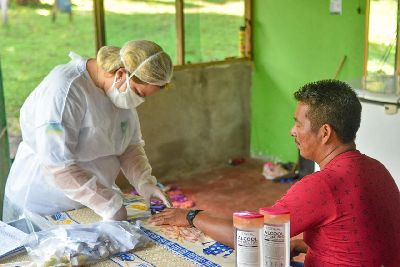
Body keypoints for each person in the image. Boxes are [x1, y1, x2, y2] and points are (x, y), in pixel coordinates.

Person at [150, 80, 400, 266]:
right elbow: (362, 234)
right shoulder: (378, 169)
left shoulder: (322, 185)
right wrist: (311, 244)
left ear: (325, 133)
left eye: (298, 123)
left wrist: (193, 216)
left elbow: (249, 236)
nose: (293, 131)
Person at [3, 40, 173, 223]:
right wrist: (108, 204)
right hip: (44, 204)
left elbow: (129, 146)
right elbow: (58, 165)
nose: (140, 101)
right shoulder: (65, 91)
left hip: (90, 203)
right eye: (139, 93)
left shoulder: (119, 92)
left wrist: (144, 181)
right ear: (121, 74)